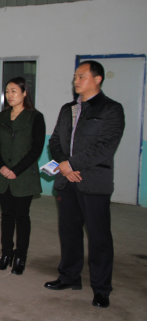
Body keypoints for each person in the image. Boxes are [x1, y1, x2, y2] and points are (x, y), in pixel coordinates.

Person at [45, 60, 124, 309]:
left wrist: (71, 164)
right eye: (75, 76)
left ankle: (101, 289)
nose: (76, 80)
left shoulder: (111, 109)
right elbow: (55, 141)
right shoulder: (67, 109)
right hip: (66, 181)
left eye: (81, 76)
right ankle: (69, 276)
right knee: (69, 232)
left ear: (97, 79)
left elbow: (105, 146)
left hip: (94, 182)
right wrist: (64, 165)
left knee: (99, 238)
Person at [0, 77, 45, 275]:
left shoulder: (35, 117)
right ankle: (6, 253)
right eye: (7, 91)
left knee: (22, 217)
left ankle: (20, 256)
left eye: (14, 91)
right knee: (6, 216)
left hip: (24, 175)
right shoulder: (0, 117)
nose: (9, 95)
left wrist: (16, 170)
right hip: (3, 174)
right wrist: (2, 167)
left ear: (24, 93)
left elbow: (36, 148)